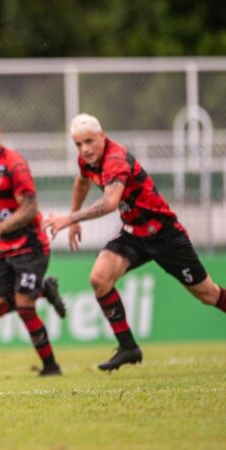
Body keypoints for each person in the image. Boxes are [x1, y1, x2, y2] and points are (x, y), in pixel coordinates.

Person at [43, 113, 226, 371]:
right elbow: (81, 181)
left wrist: (69, 217)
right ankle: (128, 347)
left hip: (165, 235)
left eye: (89, 142)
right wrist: (75, 220)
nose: (84, 149)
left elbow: (109, 203)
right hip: (134, 233)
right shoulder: (88, 160)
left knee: (208, 294)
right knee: (99, 278)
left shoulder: (115, 160)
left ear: (102, 137)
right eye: (78, 144)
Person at [0, 110, 67, 376]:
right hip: (3, 246)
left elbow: (30, 208)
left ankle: (51, 366)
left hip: (30, 245)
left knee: (24, 306)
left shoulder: (14, 164)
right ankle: (44, 290)